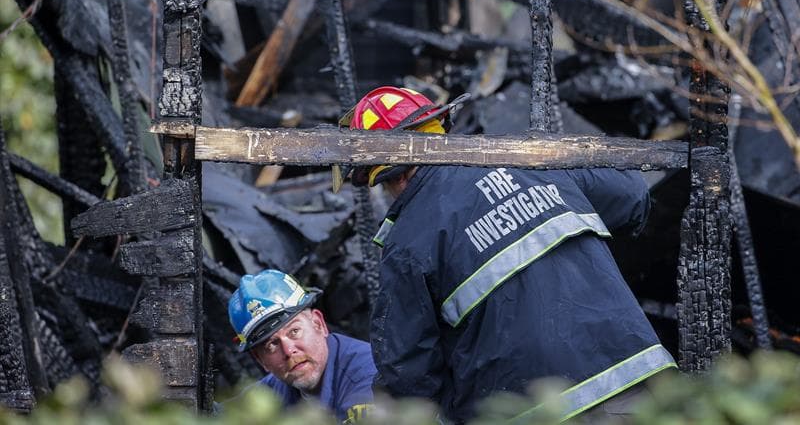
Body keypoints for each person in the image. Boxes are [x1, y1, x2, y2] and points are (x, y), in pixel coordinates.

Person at [340, 86, 677, 423]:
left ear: (388, 176)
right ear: (439, 127)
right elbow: (631, 195)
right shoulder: (523, 158)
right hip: (640, 381)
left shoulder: (408, 242)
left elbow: (406, 376)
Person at [228, 269, 376, 424]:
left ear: (318, 324)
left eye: (294, 331)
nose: (288, 351)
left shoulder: (368, 377)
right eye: (272, 344)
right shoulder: (276, 388)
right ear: (260, 360)